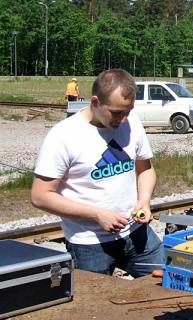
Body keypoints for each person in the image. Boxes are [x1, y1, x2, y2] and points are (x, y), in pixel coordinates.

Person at [31, 69, 163, 277]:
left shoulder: (132, 123)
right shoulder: (63, 135)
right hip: (89, 244)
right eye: (116, 112)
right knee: (95, 308)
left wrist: (144, 201)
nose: (123, 119)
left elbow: (145, 169)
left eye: (128, 111)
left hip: (137, 235)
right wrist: (97, 214)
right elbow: (40, 196)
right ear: (95, 101)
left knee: (169, 288)